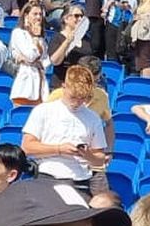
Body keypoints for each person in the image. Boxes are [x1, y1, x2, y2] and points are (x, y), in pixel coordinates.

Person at [20, 64, 107, 192]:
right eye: (73, 97)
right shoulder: (43, 110)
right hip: (49, 176)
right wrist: (59, 149)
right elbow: (27, 146)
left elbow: (100, 158)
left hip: (81, 179)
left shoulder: (93, 117)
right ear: (64, 87)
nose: (77, 102)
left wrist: (88, 155)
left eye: (82, 98)